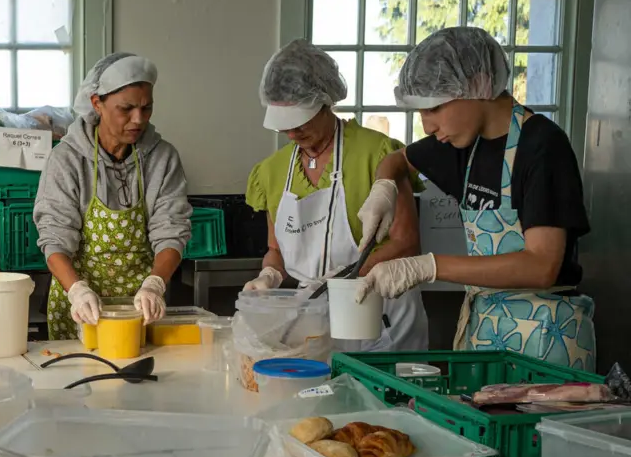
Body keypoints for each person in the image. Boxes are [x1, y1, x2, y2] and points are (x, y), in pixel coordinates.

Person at [360, 27, 595, 370]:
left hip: (546, 338)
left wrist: (429, 266)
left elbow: (541, 265)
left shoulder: (542, 146)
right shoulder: (463, 147)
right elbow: (397, 160)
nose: (427, 127)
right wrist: (384, 190)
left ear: (480, 84)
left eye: (435, 108)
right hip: (484, 330)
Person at [246, 40, 429, 351]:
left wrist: (345, 275)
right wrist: (268, 276)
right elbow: (275, 250)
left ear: (324, 101)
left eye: (299, 122)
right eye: (284, 127)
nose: (292, 134)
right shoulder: (272, 172)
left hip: (384, 312)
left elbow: (407, 242)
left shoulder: (378, 153)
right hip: (316, 317)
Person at [35, 52, 193, 339]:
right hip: (82, 308)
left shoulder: (162, 157)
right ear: (97, 103)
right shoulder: (67, 159)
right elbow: (54, 237)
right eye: (126, 109)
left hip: (141, 308)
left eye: (146, 109)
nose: (138, 119)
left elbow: (172, 229)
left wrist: (155, 285)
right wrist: (78, 291)